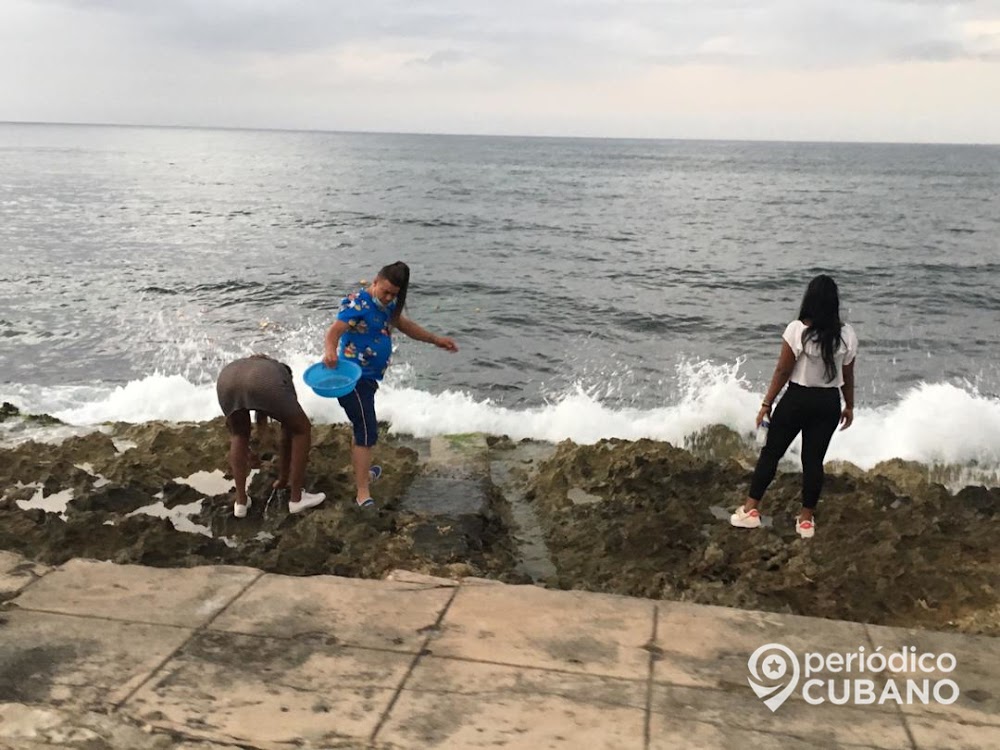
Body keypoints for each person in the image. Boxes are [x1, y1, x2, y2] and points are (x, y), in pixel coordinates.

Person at [730, 274, 857, 539]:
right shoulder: (846, 335)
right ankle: (806, 521)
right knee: (813, 461)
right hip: (828, 403)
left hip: (797, 400)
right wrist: (849, 406)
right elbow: (848, 375)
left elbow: (783, 370)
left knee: (771, 453)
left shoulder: (798, 330)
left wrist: (767, 403)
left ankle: (750, 510)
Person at [323, 261, 458, 508]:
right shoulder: (358, 303)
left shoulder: (389, 306)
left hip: (369, 379)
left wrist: (435, 340)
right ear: (375, 281)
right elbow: (334, 332)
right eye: (384, 291)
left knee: (363, 428)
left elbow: (407, 327)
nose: (387, 298)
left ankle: (363, 473)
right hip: (352, 378)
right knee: (366, 430)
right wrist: (330, 351)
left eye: (393, 294)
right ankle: (362, 491)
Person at [216, 354, 325, 517]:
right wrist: (283, 477)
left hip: (226, 380)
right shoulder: (280, 373)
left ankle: (241, 502)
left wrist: (249, 453)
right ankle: (297, 498)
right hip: (264, 384)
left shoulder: (248, 366)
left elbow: (233, 429)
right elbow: (289, 432)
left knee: (239, 435)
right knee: (302, 430)